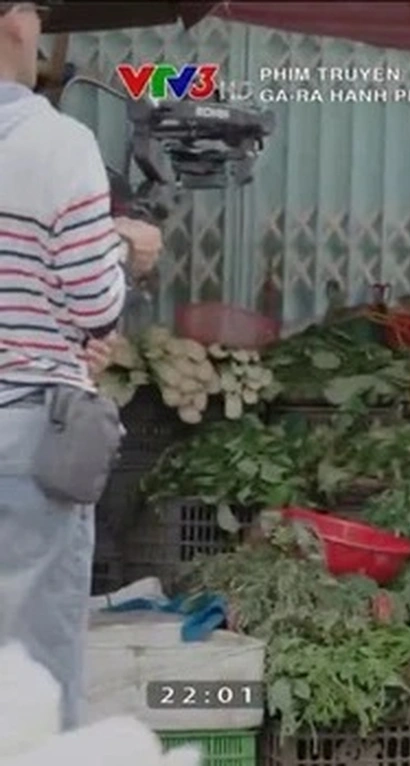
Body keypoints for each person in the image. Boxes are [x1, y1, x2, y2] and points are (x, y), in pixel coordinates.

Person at [0, 0, 163, 730]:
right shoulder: (55, 143)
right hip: (26, 435)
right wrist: (127, 245)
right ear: (14, 23)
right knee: (32, 666)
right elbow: (95, 301)